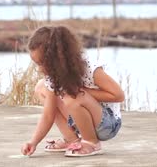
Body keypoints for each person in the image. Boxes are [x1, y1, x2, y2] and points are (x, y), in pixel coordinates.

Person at [20, 25, 124, 157]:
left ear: (57, 59)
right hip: (82, 121)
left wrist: (82, 92)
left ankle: (91, 142)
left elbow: (118, 95)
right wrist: (33, 142)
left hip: (107, 124)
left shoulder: (90, 69)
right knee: (42, 88)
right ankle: (72, 139)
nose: (40, 69)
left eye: (42, 63)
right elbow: (48, 114)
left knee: (73, 96)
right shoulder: (53, 76)